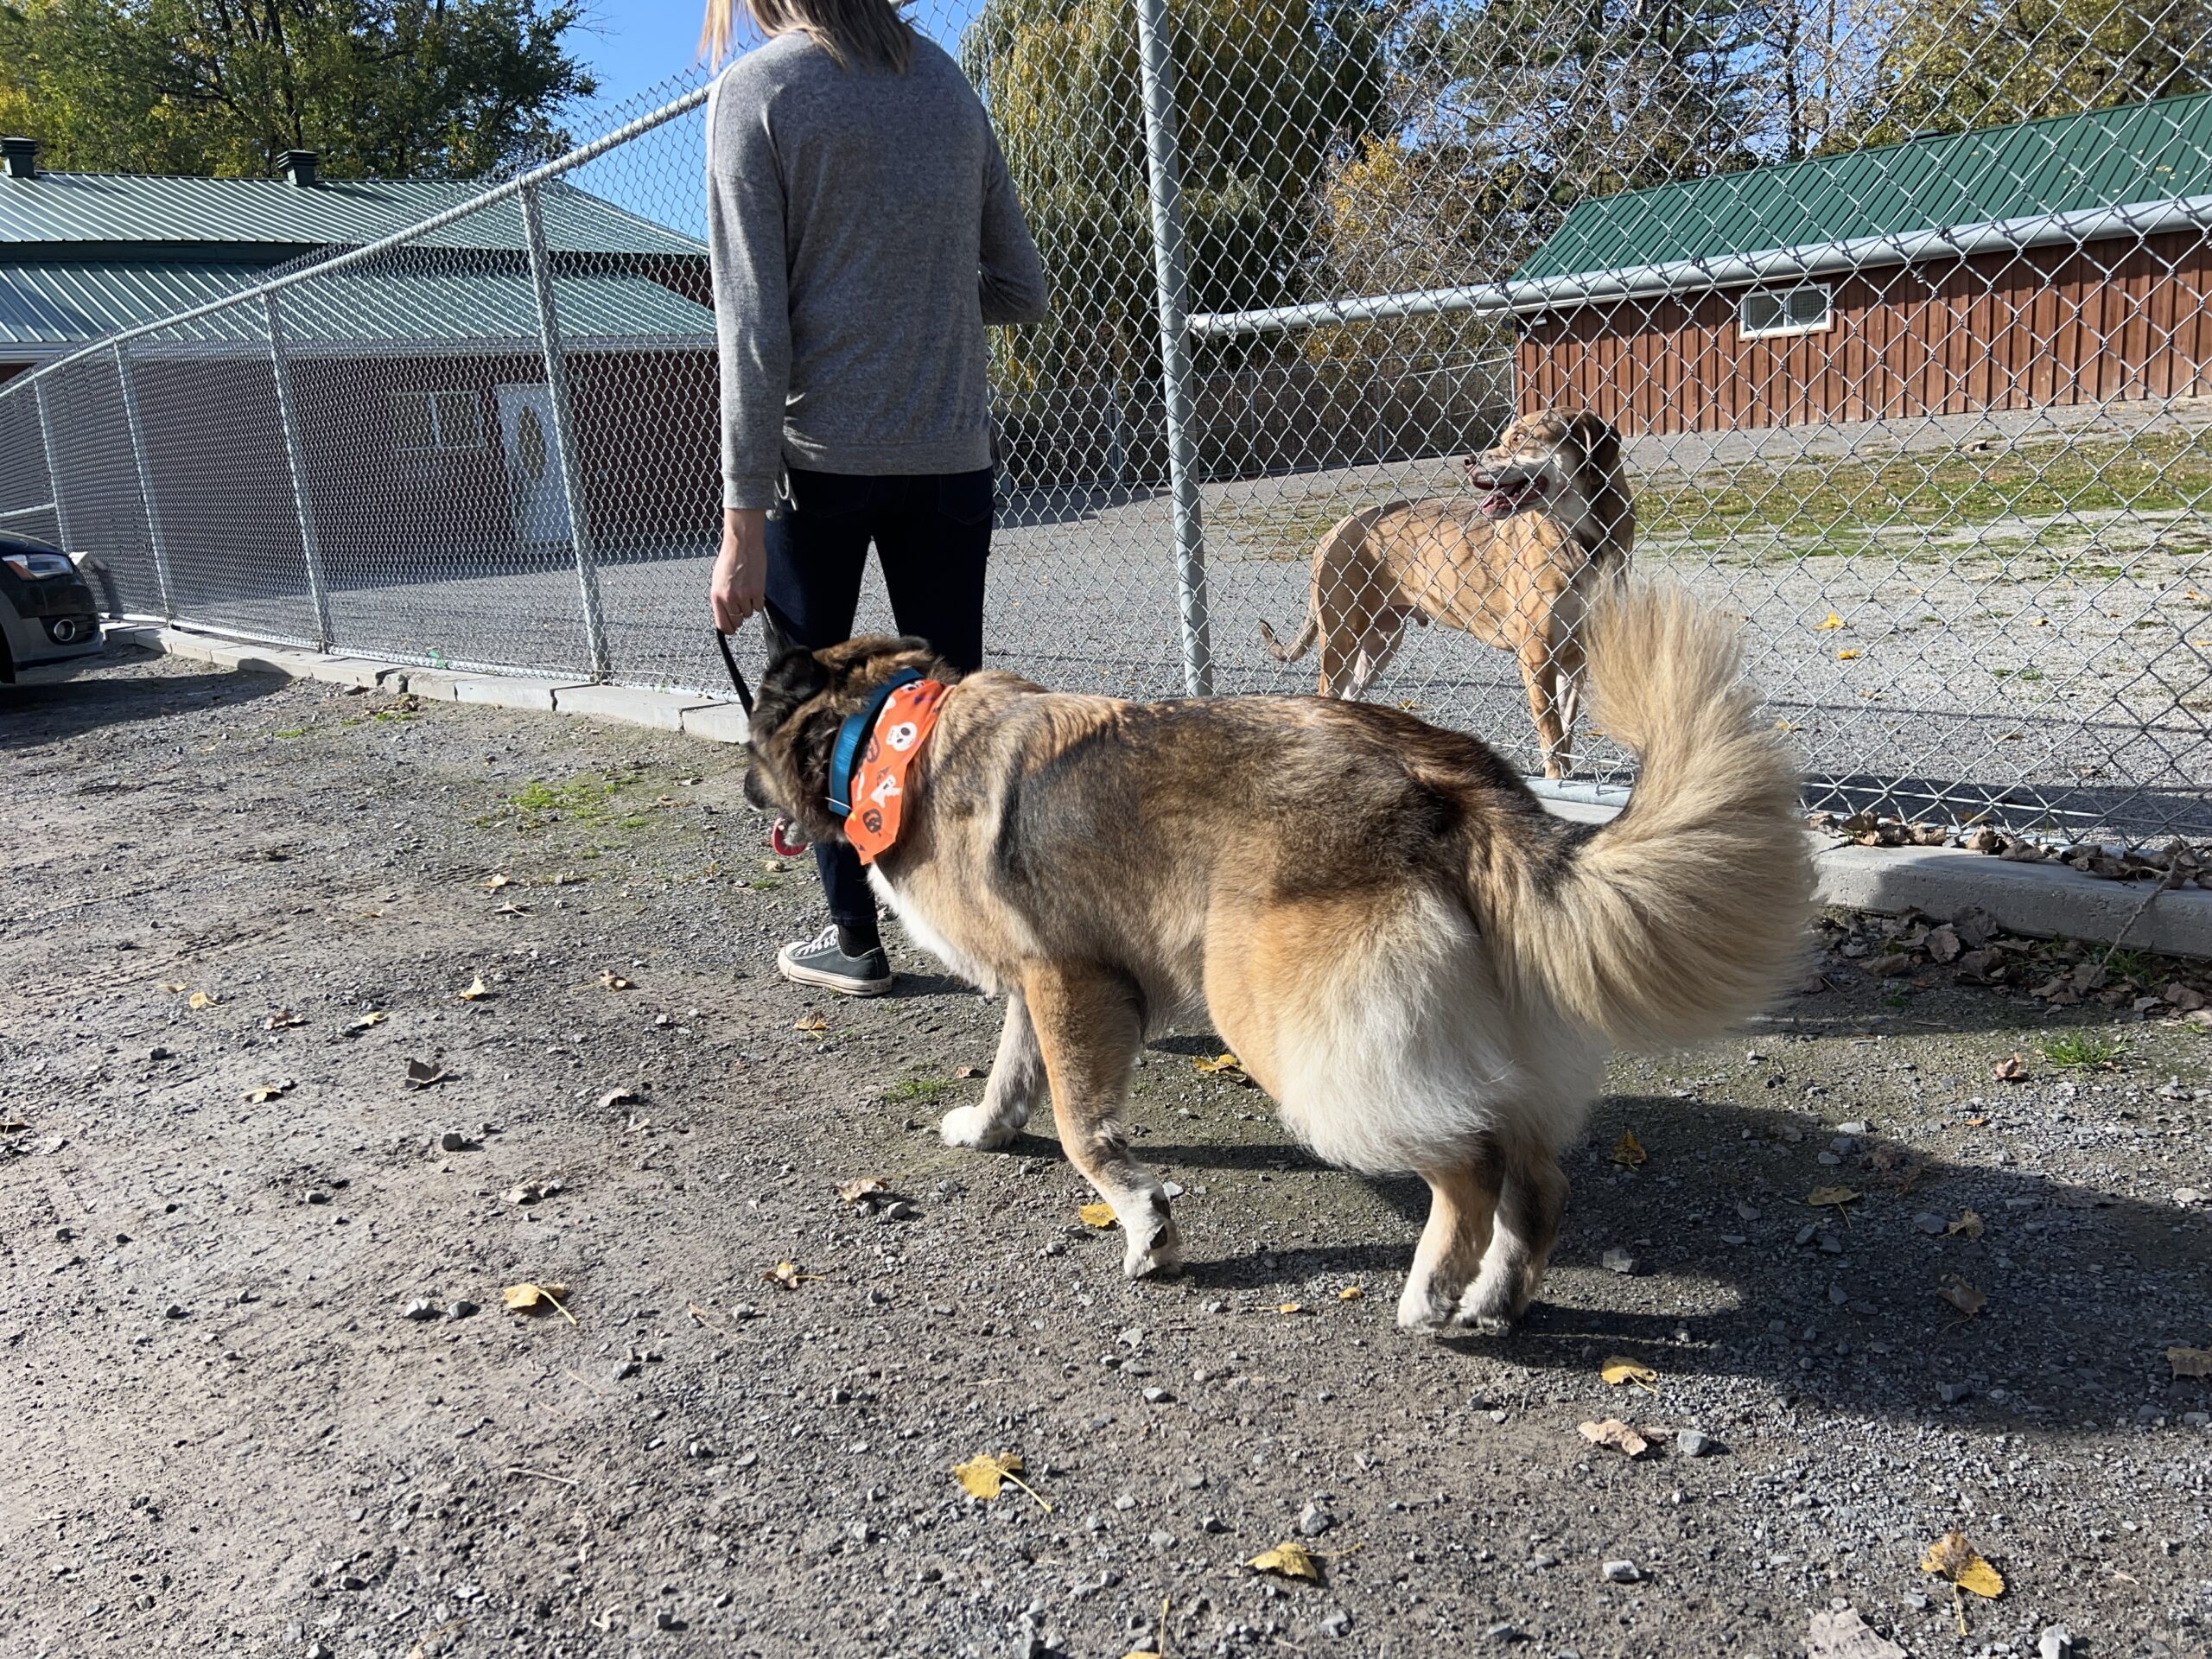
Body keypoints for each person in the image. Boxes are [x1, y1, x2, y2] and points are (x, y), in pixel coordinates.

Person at [702, 0, 1046, 995]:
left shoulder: (760, 90)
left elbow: (753, 328)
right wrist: (919, 287)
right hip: (949, 451)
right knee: (953, 712)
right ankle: (993, 935)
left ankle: (853, 937)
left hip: (821, 460)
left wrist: (741, 522)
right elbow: (1021, 287)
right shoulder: (944, 83)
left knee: (809, 705)